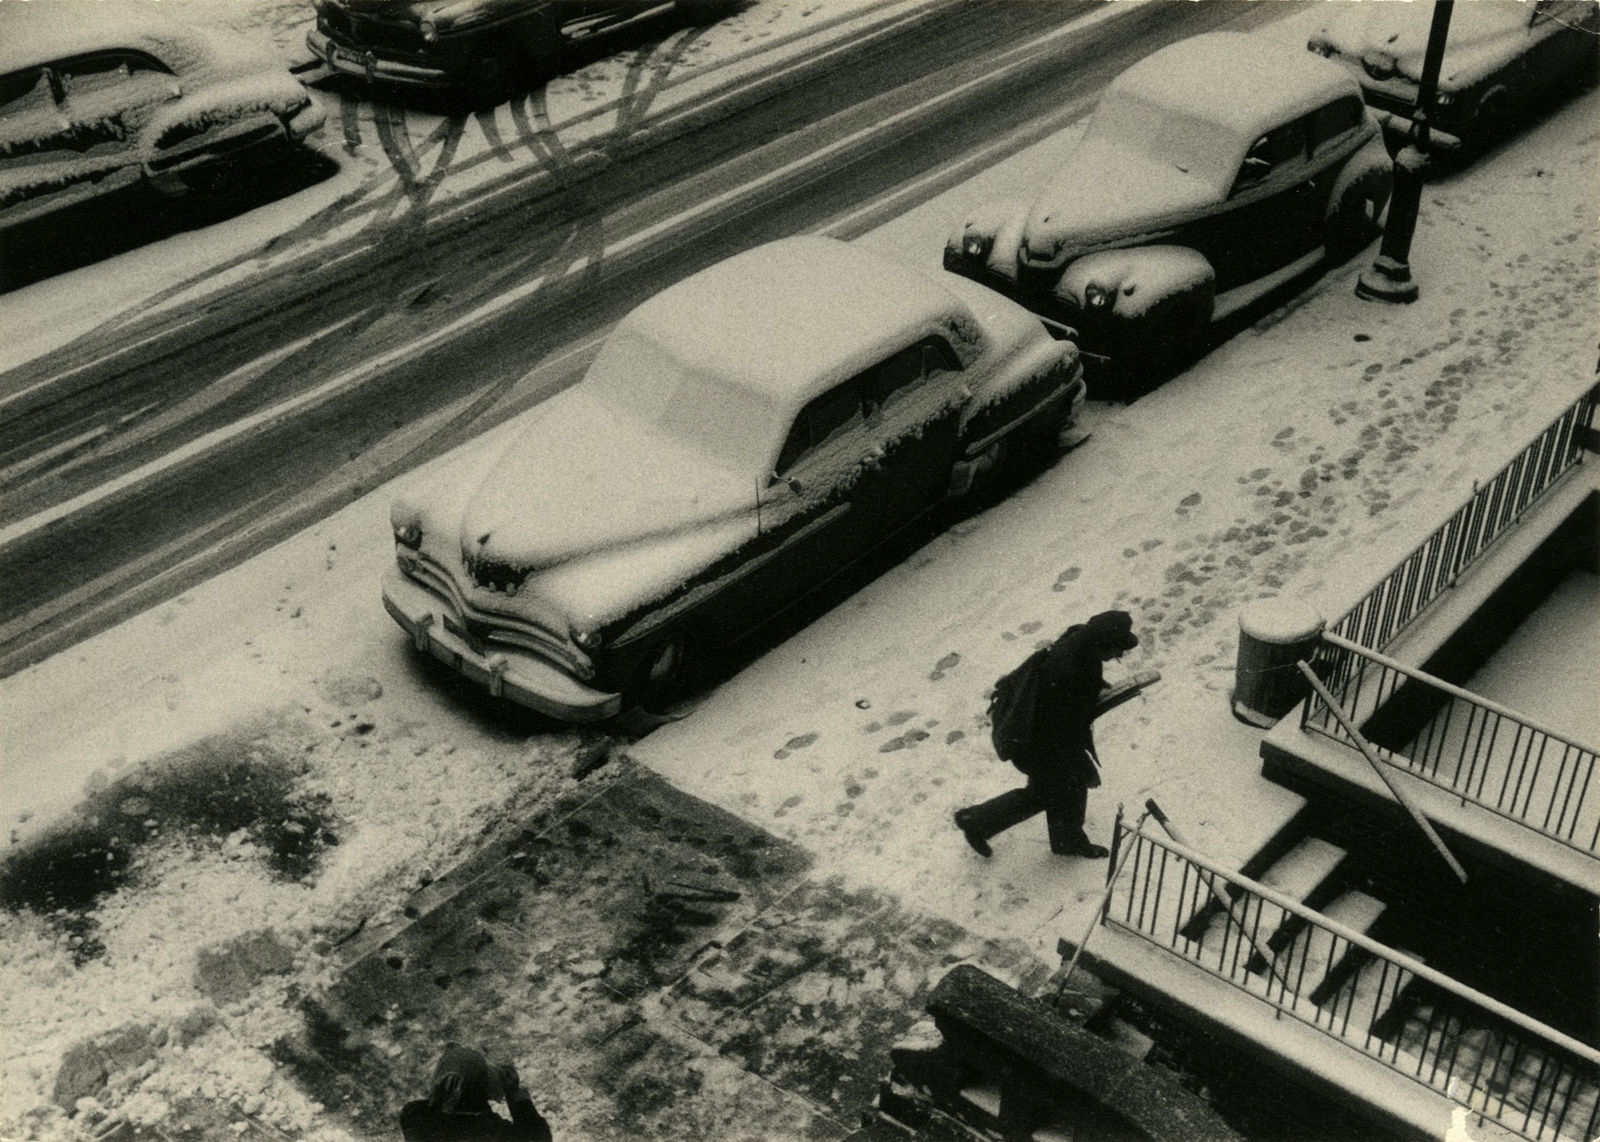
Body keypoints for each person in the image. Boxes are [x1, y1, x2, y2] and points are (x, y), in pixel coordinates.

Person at [953, 610, 1140, 860]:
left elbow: (1072, 696)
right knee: (1068, 784)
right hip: (1033, 740)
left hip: (1036, 731)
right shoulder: (1069, 672)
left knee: (1048, 791)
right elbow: (1063, 732)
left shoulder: (1081, 639)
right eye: (1116, 649)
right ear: (1102, 643)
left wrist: (1094, 688)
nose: (1118, 655)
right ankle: (1065, 841)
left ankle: (977, 821)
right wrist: (1084, 767)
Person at [400, 1044, 552, 1142]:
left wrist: (454, 1074)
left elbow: (437, 1106)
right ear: (482, 1087)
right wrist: (514, 1095)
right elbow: (539, 1138)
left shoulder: (415, 1119)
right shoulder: (493, 1132)